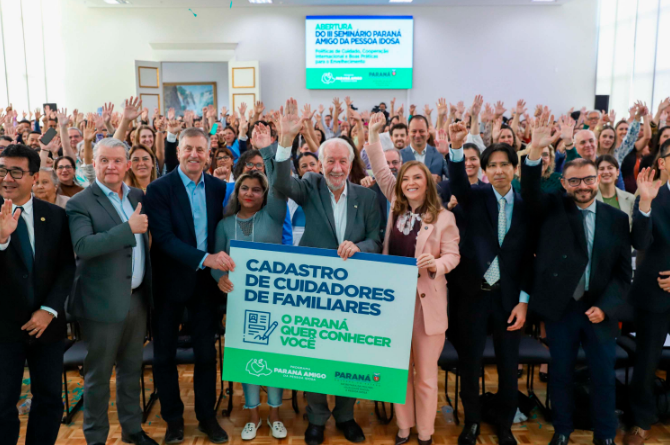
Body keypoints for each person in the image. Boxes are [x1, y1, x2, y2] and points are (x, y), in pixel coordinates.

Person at [261, 98, 382, 445]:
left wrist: (359, 248)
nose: (337, 167)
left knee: (349, 356)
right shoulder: (310, 185)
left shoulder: (367, 198)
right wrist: (285, 141)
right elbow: (281, 185)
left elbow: (376, 239)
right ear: (322, 163)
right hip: (313, 291)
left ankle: (345, 415)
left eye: (343, 161)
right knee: (314, 355)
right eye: (330, 161)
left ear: (351, 164)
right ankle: (316, 418)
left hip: (353, 291)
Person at [521, 112, 632, 445]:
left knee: (603, 377)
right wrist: (535, 150)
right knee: (560, 375)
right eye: (574, 181)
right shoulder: (553, 208)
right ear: (564, 184)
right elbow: (530, 191)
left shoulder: (616, 219)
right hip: (562, 308)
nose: (582, 186)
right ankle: (562, 430)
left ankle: (605, 435)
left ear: (597, 179)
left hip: (600, 310)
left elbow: (623, 274)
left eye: (588, 180)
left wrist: (606, 307)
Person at [366, 112, 460, 445]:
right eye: (405, 179)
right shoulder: (396, 204)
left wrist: (436, 264)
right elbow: (381, 169)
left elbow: (453, 256)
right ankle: (404, 427)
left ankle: (425, 432)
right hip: (394, 303)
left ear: (428, 183)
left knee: (426, 376)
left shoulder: (444, 218)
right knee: (399, 371)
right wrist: (373, 135)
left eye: (417, 178)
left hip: (426, 304)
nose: (410, 183)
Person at [443, 121, 533, 445]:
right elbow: (457, 182)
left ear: (514, 168)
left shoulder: (527, 206)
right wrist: (456, 148)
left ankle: (505, 424)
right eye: (492, 165)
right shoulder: (474, 197)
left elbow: (528, 258)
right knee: (470, 364)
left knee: (509, 366)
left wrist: (524, 301)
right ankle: (472, 422)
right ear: (484, 171)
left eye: (504, 164)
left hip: (509, 300)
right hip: (473, 295)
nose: (498, 171)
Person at [65, 138, 156, 445]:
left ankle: (132, 431)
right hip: (101, 304)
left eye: (117, 160)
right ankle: (96, 439)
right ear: (94, 164)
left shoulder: (136, 195)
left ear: (127, 165)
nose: (111, 166)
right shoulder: (80, 202)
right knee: (98, 377)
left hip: (136, 300)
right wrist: (128, 229)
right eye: (104, 160)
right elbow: (83, 246)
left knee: (131, 371)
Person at [143, 127, 230, 445]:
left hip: (206, 286)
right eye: (188, 148)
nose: (194, 154)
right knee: (164, 356)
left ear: (208, 154)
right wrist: (206, 259)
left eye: (200, 149)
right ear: (178, 152)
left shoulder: (219, 188)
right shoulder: (158, 189)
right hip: (168, 284)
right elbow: (164, 239)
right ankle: (174, 421)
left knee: (206, 355)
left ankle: (207, 417)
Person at [212, 132, 289, 440]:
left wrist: (269, 149)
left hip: (275, 303)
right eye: (244, 188)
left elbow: (280, 185)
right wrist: (220, 279)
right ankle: (253, 415)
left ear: (264, 193)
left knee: (275, 359)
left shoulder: (274, 215)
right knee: (248, 361)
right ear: (236, 190)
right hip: (240, 306)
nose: (249, 193)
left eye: (256, 189)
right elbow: (216, 262)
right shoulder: (224, 225)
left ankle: (275, 415)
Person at [0, 144, 75, 445]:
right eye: (2, 170)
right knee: (2, 404)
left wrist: (49, 309)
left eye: (16, 172)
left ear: (34, 177)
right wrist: (1, 239)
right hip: (4, 329)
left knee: (49, 399)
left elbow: (67, 267)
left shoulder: (55, 215)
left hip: (47, 326)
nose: (7, 178)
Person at [624, 141, 670, 445]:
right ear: (663, 162)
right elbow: (640, 241)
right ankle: (641, 420)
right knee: (647, 360)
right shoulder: (651, 194)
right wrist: (644, 204)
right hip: (654, 292)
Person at [401, 116, 448, 181]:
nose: (417, 135)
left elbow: (453, 176)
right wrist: (428, 179)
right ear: (408, 132)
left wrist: (446, 155)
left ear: (427, 132)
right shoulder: (400, 155)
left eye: (421, 131)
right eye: (414, 131)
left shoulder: (438, 153)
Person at [595, 155, 635, 225]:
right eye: (601, 169)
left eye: (610, 168)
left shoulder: (630, 199)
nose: (606, 172)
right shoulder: (590, 199)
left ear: (617, 172)